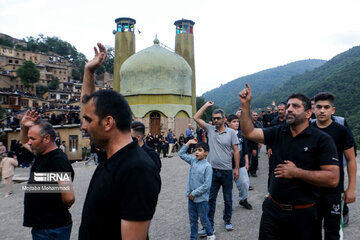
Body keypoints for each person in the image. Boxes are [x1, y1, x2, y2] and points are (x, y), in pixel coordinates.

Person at [79, 43, 161, 240]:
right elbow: (88, 108)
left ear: (108, 122)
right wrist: (88, 72)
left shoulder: (137, 170)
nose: (83, 126)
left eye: (88, 121)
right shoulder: (110, 155)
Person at [239, 83, 339, 240]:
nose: (289, 109)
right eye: (288, 106)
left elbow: (333, 178)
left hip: (304, 215)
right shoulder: (278, 132)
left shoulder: (322, 140)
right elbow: (248, 132)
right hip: (273, 212)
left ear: (308, 113)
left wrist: (296, 172)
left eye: (295, 106)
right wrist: (246, 106)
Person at [20, 110, 75, 240]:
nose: (29, 142)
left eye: (33, 138)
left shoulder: (58, 161)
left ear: (46, 139)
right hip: (43, 227)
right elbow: (23, 142)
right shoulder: (41, 153)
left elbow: (69, 197)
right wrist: (24, 126)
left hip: (51, 229)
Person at [311, 92, 357, 240]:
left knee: (333, 231)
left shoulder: (341, 131)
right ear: (313, 109)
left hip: (333, 189)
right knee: (311, 230)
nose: (322, 110)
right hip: (310, 189)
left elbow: (351, 160)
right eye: (319, 107)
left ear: (333, 110)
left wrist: (350, 188)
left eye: (326, 107)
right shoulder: (308, 130)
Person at [194, 101, 240, 232]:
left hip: (226, 171)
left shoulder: (231, 133)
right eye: (214, 118)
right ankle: (209, 226)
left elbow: (236, 151)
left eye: (218, 118)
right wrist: (206, 106)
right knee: (210, 199)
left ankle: (228, 220)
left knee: (227, 198)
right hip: (212, 171)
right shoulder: (210, 129)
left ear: (224, 119)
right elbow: (196, 117)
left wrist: (236, 168)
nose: (216, 120)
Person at [179, 139, 215, 240]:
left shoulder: (208, 167)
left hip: (201, 199)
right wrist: (188, 143)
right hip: (191, 199)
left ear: (206, 153)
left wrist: (194, 193)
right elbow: (181, 154)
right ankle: (193, 237)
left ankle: (210, 233)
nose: (197, 152)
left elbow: (207, 185)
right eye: (196, 150)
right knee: (193, 220)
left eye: (200, 150)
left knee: (204, 219)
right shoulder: (193, 161)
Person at [227, 114, 252, 210]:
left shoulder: (241, 134)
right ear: (228, 123)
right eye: (234, 122)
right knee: (228, 187)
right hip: (228, 165)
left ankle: (243, 200)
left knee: (245, 183)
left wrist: (247, 163)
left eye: (237, 121)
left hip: (241, 164)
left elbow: (245, 150)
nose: (236, 123)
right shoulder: (225, 133)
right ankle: (229, 204)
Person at [266, 102, 287, 191]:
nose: (280, 111)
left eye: (282, 110)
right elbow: (269, 136)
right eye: (279, 110)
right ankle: (270, 191)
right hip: (274, 150)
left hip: (287, 150)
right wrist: (269, 147)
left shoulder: (290, 122)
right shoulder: (274, 122)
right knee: (272, 171)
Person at [247, 111, 262, 177]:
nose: (255, 116)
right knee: (248, 158)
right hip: (249, 143)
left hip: (256, 142)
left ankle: (253, 171)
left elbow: (261, 132)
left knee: (255, 158)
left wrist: (260, 141)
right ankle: (247, 172)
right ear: (251, 116)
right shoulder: (249, 124)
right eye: (254, 115)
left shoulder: (259, 124)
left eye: (256, 115)